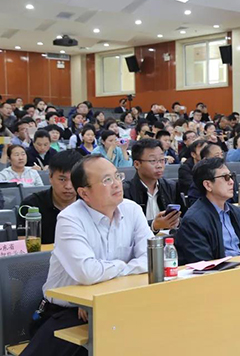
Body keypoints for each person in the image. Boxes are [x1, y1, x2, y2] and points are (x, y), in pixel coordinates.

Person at [21, 155, 153, 356]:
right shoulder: (70, 219)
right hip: (67, 314)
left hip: (117, 306)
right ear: (84, 193)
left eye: (117, 176)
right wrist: (124, 265)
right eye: (106, 180)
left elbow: (152, 259)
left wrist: (97, 294)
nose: (116, 184)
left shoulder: (132, 210)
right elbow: (87, 272)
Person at [175, 158, 240, 264]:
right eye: (225, 177)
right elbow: (204, 263)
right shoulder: (193, 220)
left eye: (231, 176)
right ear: (208, 185)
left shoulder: (235, 212)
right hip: (220, 271)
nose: (231, 182)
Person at [17, 150, 83, 244]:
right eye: (62, 179)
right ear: (50, 177)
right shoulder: (30, 205)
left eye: (73, 179)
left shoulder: (90, 203)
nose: (68, 186)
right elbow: (26, 246)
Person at [123, 139, 182, 233]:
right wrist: (154, 226)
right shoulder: (125, 191)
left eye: (162, 160)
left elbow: (185, 218)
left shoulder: (171, 187)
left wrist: (176, 222)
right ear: (137, 164)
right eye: (153, 161)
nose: (159, 165)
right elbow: (125, 227)